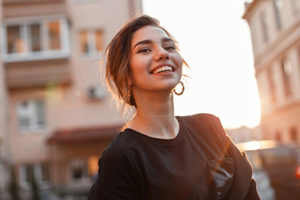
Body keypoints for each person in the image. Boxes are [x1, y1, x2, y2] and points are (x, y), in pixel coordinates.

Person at [88, 15, 260, 200]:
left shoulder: (209, 127)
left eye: (169, 47)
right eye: (145, 50)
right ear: (125, 74)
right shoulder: (121, 157)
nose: (163, 54)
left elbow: (247, 191)